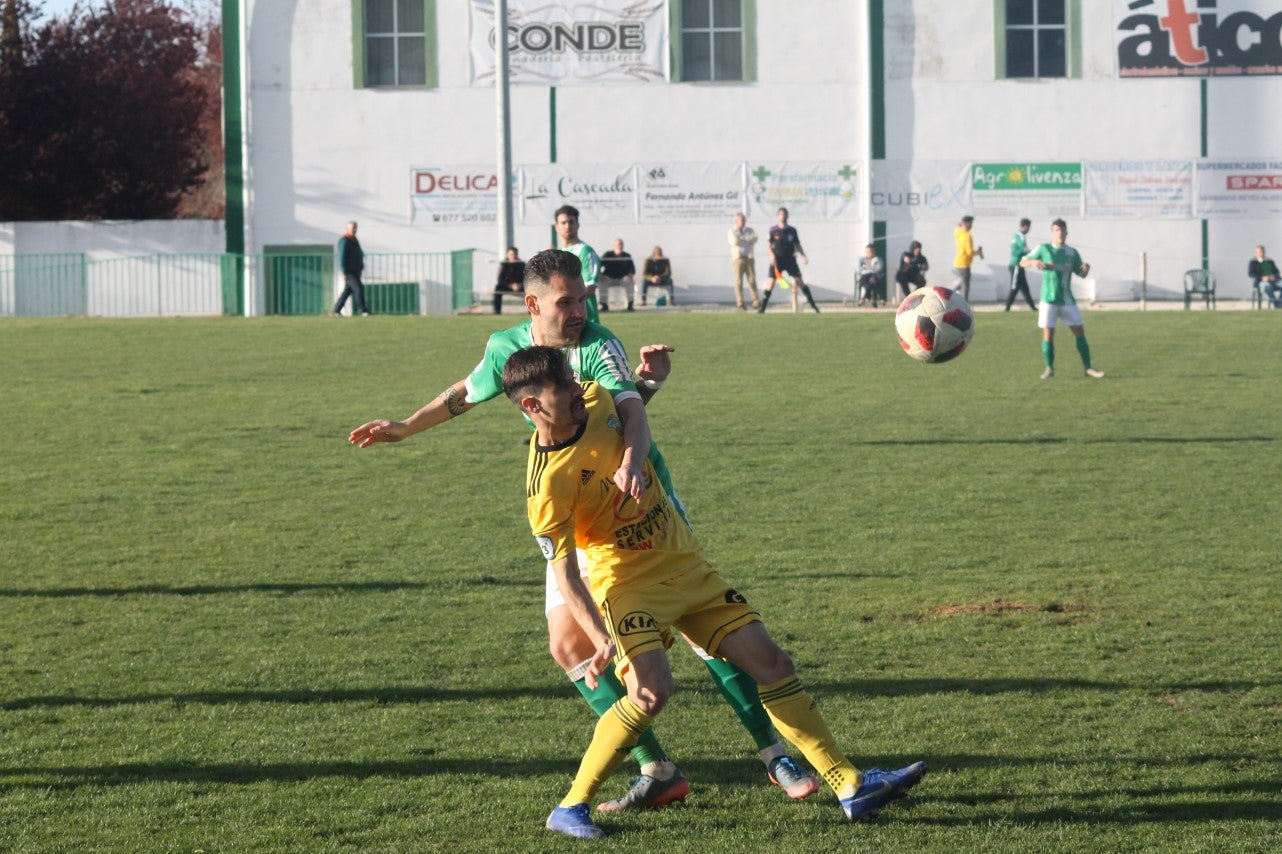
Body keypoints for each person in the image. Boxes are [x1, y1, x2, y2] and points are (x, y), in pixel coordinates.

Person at [348, 249, 818, 810]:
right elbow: (463, 394)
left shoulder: (598, 344)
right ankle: (656, 767)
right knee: (568, 642)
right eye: (565, 301)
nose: (578, 310)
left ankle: (775, 754)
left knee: (700, 630)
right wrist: (403, 427)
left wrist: (635, 438)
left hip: (637, 504)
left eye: (582, 298)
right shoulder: (506, 349)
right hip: (575, 517)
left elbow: (631, 413)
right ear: (533, 303)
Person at [500, 346, 928, 840]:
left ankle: (849, 784)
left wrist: (636, 452)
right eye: (564, 390)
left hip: (689, 568)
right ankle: (572, 807)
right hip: (628, 587)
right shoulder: (545, 484)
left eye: (575, 383)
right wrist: (599, 636)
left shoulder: (595, 398)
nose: (579, 391)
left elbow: (631, 412)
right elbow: (567, 574)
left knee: (773, 664)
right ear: (532, 407)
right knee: (651, 692)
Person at [1020, 218, 1105, 380]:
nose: (1059, 233)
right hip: (1048, 300)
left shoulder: (1072, 253)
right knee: (1048, 334)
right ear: (1052, 232)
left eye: (1062, 230)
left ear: (1066, 233)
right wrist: (1033, 261)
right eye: (1056, 230)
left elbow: (1081, 273)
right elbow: (1022, 261)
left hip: (1067, 300)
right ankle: (1049, 368)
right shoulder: (1043, 249)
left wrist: (1086, 269)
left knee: (1079, 332)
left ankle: (1088, 368)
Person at [759, 207, 820, 313]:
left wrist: (803, 255)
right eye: (780, 214)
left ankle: (813, 305)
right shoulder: (773, 230)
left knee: (800, 282)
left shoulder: (792, 230)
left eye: (784, 214)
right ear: (778, 216)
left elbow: (797, 245)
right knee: (770, 283)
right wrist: (772, 256)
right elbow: (768, 245)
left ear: (787, 216)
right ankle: (762, 309)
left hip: (790, 260)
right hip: (777, 260)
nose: (782, 215)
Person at [555, 205, 602, 324]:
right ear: (557, 227)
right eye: (563, 222)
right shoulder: (558, 253)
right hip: (563, 321)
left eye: (571, 222)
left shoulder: (586, 252)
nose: (567, 226)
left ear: (578, 225)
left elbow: (590, 288)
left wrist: (561, 301)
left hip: (585, 321)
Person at [331, 220, 370, 316]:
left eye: (355, 228)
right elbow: (341, 258)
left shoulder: (354, 240)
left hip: (356, 271)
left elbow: (359, 253)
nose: (355, 230)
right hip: (349, 272)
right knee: (358, 288)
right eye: (353, 228)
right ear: (348, 229)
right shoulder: (344, 241)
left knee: (347, 291)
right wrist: (344, 272)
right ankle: (363, 310)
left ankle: (336, 310)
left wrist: (360, 265)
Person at [727, 212, 760, 311]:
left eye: (744, 220)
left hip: (749, 258)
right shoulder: (732, 231)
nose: (744, 222)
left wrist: (743, 240)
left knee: (752, 280)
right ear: (736, 221)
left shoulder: (749, 230)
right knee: (738, 281)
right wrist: (747, 241)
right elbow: (735, 241)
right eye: (742, 220)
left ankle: (756, 301)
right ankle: (740, 302)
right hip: (738, 258)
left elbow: (755, 238)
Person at [1005, 218, 1036, 312]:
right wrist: (1034, 254)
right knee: (1014, 287)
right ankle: (1007, 308)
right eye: (1029, 227)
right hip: (1016, 265)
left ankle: (1033, 308)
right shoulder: (1020, 236)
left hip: (1019, 265)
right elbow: (1024, 249)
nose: (1029, 229)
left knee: (1025, 288)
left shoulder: (1016, 236)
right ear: (1025, 226)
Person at [598, 239, 636, 312]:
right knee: (601, 282)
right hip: (609, 278)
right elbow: (599, 265)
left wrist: (631, 274)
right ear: (614, 245)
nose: (619, 246)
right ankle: (604, 305)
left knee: (630, 282)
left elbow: (632, 268)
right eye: (618, 244)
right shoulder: (608, 254)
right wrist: (601, 275)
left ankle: (630, 304)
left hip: (622, 279)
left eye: (621, 244)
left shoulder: (627, 255)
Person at [951, 215, 982, 301]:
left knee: (961, 283)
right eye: (970, 224)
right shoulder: (967, 235)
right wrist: (978, 252)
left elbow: (957, 228)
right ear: (967, 224)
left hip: (958, 262)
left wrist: (959, 224)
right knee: (965, 286)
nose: (971, 226)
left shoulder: (958, 232)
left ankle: (948, 294)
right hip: (964, 264)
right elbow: (970, 252)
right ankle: (964, 304)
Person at [493, 246, 525, 315]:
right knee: (498, 288)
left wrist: (520, 284)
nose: (513, 256)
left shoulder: (522, 264)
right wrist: (509, 285)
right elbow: (500, 279)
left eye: (515, 254)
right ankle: (497, 311)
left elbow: (526, 278)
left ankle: (531, 311)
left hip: (519, 286)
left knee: (530, 288)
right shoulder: (503, 264)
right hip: (507, 286)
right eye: (511, 254)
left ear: (517, 255)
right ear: (508, 254)